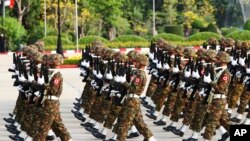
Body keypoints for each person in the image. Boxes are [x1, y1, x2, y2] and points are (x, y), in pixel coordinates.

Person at [113, 53, 157, 141]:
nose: (134, 63)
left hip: (133, 100)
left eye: (136, 61)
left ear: (141, 63)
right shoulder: (136, 72)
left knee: (124, 123)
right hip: (130, 99)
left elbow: (134, 89)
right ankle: (151, 139)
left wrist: (124, 82)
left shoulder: (140, 75)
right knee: (139, 123)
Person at [32, 54, 72, 141]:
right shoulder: (51, 72)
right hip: (47, 102)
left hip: (51, 104)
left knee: (42, 127)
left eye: (50, 61)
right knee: (58, 126)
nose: (48, 62)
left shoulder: (57, 75)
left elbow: (53, 90)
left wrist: (43, 84)